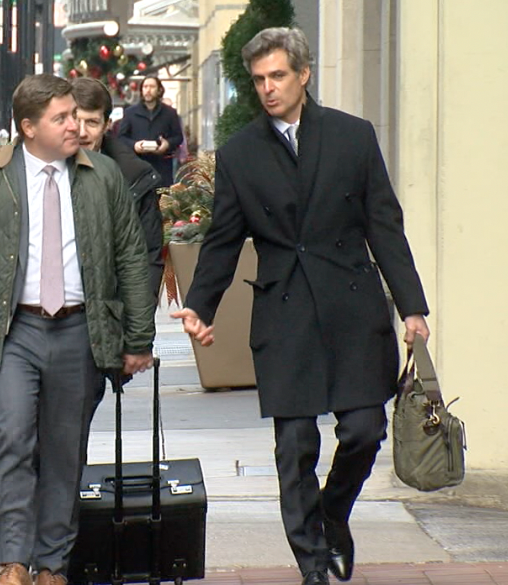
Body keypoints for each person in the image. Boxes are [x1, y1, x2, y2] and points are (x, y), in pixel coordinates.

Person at [172, 28, 430, 585]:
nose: (268, 89)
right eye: (259, 79)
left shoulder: (353, 137)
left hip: (353, 308)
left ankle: (332, 514)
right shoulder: (241, 154)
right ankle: (312, 564)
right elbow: (221, 241)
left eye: (278, 76)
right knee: (296, 444)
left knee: (364, 431)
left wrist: (412, 307)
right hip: (284, 314)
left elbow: (384, 225)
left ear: (303, 74)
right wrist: (200, 306)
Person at [0, 74, 156, 585]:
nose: (75, 125)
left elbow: (130, 257)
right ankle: (13, 559)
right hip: (13, 332)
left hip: (80, 330)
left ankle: (52, 564)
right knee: (12, 435)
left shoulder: (102, 177)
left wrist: (137, 340)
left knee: (64, 448)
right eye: (61, 118)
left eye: (76, 116)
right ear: (29, 127)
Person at [71, 76, 163, 301]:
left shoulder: (134, 178)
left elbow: (148, 258)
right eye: (75, 121)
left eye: (91, 123)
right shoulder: (39, 172)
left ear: (106, 125)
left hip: (113, 312)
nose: (82, 133)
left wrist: (136, 328)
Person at [117, 75, 185, 191]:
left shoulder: (170, 113)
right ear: (141, 90)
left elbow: (178, 137)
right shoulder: (130, 113)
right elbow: (121, 137)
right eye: (145, 87)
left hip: (162, 167)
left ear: (159, 90)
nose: (148, 90)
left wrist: (167, 144)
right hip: (137, 167)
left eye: (152, 86)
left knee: (162, 201)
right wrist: (134, 145)